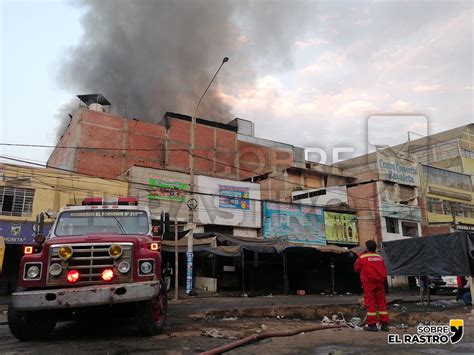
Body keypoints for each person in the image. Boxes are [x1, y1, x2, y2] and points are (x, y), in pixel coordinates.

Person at [354, 240, 389, 332]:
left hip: (369, 283)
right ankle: (384, 325)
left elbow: (356, 268)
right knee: (382, 303)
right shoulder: (379, 257)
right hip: (380, 283)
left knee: (370, 303)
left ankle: (372, 325)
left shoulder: (362, 256)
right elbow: (384, 269)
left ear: (366, 248)